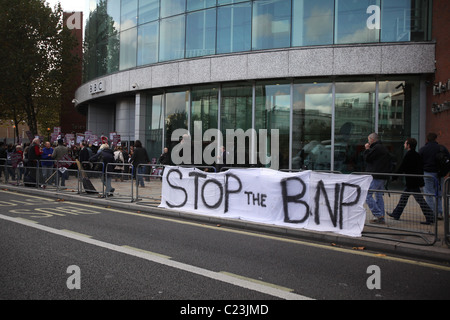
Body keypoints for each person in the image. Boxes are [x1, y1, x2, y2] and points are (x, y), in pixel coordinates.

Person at [387, 138, 434, 225]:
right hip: (413, 181)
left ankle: (430, 217)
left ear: (408, 145)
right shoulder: (417, 155)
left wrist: (394, 176)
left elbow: (402, 167)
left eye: (405, 143)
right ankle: (396, 214)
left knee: (419, 200)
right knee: (404, 198)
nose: (404, 145)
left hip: (412, 182)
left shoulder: (409, 155)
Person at [418, 133, 450, 220]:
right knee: (439, 193)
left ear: (427, 139)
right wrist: (444, 172)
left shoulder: (423, 149)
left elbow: (419, 162)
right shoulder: (441, 148)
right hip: (439, 174)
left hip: (428, 172)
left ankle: (431, 213)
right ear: (436, 139)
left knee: (428, 193)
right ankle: (439, 212)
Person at [363, 133, 392, 224]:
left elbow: (368, 158)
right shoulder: (382, 148)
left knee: (368, 195)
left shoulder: (376, 148)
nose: (368, 142)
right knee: (379, 196)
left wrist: (367, 150)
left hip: (376, 175)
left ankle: (378, 214)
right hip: (381, 175)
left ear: (372, 139)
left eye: (369, 140)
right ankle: (381, 218)